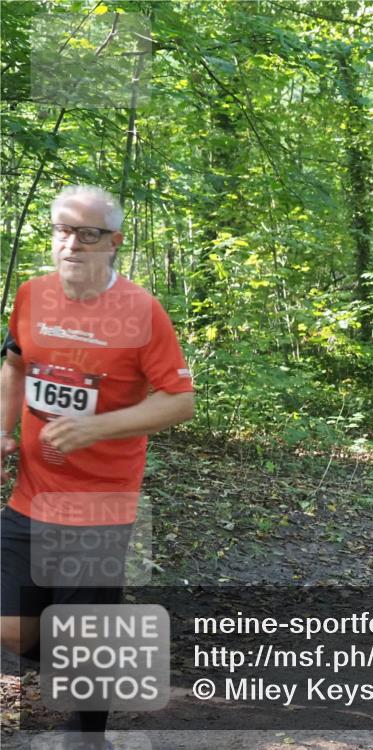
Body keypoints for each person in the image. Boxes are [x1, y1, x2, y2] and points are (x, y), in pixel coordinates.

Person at [1, 185, 195, 748]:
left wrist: (96, 427)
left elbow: (178, 401)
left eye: (88, 234)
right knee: (13, 626)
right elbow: (14, 364)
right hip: (29, 492)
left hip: (100, 502)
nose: (72, 244)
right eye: (63, 229)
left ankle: (88, 736)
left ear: (114, 242)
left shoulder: (141, 311)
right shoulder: (31, 295)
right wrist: (4, 428)